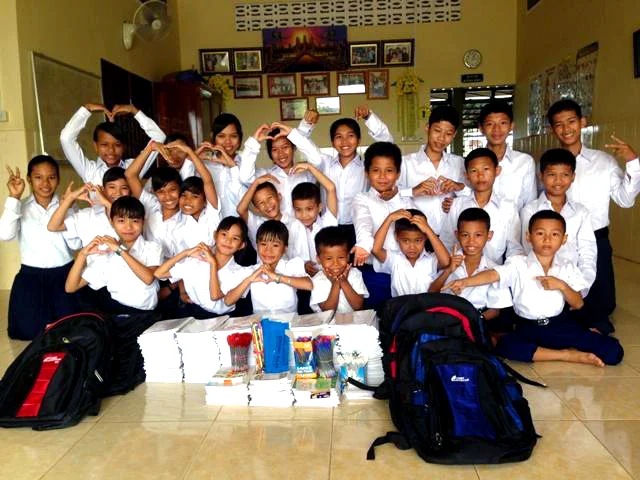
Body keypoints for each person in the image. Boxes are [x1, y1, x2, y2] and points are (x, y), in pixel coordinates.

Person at [443, 210, 624, 366]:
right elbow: (493, 274)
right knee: (506, 346)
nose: (547, 239)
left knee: (614, 352)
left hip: (560, 325)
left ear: (564, 239)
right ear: (528, 237)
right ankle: (567, 355)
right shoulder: (517, 263)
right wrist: (465, 282)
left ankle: (550, 350)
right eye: (540, 233)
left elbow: (578, 304)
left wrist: (561, 286)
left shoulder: (567, 267)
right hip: (528, 327)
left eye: (554, 234)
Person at [548, 99, 640, 333]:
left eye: (571, 121)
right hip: (559, 239)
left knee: (602, 300)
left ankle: (593, 325)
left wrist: (632, 162)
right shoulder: (549, 163)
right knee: (560, 292)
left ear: (583, 122)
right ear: (552, 129)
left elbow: (625, 199)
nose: (566, 129)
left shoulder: (603, 161)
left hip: (596, 237)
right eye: (559, 124)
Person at [0, 157, 78, 339]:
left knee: (70, 330)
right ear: (29, 179)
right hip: (31, 277)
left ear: (58, 179)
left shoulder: (67, 205)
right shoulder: (19, 206)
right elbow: (4, 235)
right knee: (25, 332)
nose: (45, 183)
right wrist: (14, 197)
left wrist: (66, 208)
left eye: (51, 177)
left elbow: (75, 244)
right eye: (38, 177)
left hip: (64, 275)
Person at [293, 105, 393, 247]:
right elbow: (303, 143)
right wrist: (307, 123)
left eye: (350, 136)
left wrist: (369, 118)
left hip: (358, 229)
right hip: (327, 226)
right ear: (332, 142)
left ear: (359, 140)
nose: (345, 142)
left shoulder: (368, 166)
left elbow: (388, 146)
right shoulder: (324, 163)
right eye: (339, 137)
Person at [64, 196, 162, 315]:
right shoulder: (107, 254)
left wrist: (119, 250)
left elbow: (148, 278)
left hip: (147, 315)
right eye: (121, 221)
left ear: (143, 222)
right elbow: (71, 287)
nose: (128, 227)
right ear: (112, 222)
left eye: (135, 221)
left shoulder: (152, 247)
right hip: (117, 314)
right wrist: (82, 254)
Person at [520, 148, 596, 296]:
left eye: (565, 175)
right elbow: (526, 249)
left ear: (573, 177)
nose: (558, 181)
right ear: (541, 176)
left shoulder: (581, 212)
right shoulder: (530, 210)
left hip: (572, 283)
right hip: (538, 283)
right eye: (551, 174)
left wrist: (582, 286)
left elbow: (588, 251)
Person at [154, 217, 253, 319]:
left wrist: (213, 263)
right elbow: (159, 274)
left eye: (235, 238)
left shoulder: (240, 272)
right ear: (215, 235)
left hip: (225, 318)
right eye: (224, 234)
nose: (228, 241)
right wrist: (186, 253)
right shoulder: (196, 261)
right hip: (194, 314)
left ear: (242, 245)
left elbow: (215, 296)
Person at [430, 208, 512, 328]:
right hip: (445, 320)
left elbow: (495, 310)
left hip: (476, 322)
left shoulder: (493, 270)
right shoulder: (446, 261)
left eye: (478, 235)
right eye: (465, 235)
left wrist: (473, 320)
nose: (471, 241)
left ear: (489, 236)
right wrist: (448, 270)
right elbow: (431, 294)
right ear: (457, 235)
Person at [440, 148, 523, 265]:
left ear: (497, 171)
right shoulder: (457, 205)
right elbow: (446, 243)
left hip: (494, 271)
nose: (480, 175)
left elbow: (514, 248)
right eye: (474, 171)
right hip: (460, 270)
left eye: (486, 169)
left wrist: (503, 272)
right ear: (466, 175)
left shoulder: (508, 207)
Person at [398, 105, 466, 235]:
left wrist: (459, 189)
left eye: (448, 134)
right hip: (417, 236)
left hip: (451, 236)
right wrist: (413, 191)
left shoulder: (459, 163)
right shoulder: (406, 163)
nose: (441, 138)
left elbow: (473, 196)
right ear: (427, 128)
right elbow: (390, 195)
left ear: (454, 135)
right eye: (437, 131)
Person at [60, 103, 165, 185]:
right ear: (95, 146)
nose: (111, 150)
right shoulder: (90, 171)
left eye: (117, 145)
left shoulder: (134, 166)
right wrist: (87, 109)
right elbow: (66, 138)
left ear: (124, 147)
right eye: (104, 145)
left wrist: (133, 110)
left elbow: (159, 137)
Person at [224, 220, 313, 314]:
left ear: (285, 249)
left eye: (275, 245)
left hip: (289, 321)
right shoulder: (252, 271)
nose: (268, 250)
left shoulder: (292, 265)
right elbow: (228, 301)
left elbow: (309, 285)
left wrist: (276, 276)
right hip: (260, 322)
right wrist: (249, 279)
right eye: (263, 244)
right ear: (257, 246)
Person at [238, 122, 316, 216]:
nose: (281, 153)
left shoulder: (307, 173)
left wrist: (294, 135)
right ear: (270, 154)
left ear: (293, 148)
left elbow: (318, 160)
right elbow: (245, 178)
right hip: (275, 225)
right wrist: (254, 142)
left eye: (285, 147)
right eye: (275, 150)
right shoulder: (265, 176)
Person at [125, 141, 184, 260]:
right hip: (145, 264)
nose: (168, 197)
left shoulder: (186, 216)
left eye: (172, 190)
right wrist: (151, 148)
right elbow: (130, 175)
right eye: (161, 192)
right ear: (155, 193)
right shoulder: (151, 205)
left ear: (180, 189)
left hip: (174, 269)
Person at [371, 209, 450, 297]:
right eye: (405, 241)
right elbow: (375, 250)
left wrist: (428, 230)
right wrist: (389, 219)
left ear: (426, 237)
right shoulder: (394, 259)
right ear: (396, 237)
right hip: (402, 305)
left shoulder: (431, 260)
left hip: (427, 305)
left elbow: (446, 262)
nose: (412, 247)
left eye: (418, 241)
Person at [47, 167, 129, 248]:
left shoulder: (134, 216)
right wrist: (70, 198)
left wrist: (107, 203)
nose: (118, 193)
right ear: (102, 189)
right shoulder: (87, 215)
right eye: (112, 187)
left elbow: (127, 240)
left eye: (124, 188)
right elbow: (53, 227)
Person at [476, 100, 536, 210]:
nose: (496, 129)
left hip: (515, 221)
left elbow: (530, 205)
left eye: (503, 123)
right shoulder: (473, 164)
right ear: (481, 128)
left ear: (511, 126)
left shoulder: (525, 162)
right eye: (490, 124)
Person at [287, 162, 339, 276]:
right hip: (299, 280)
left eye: (309, 209)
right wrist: (302, 266)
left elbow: (331, 188)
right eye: (298, 210)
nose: (304, 215)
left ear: (319, 207)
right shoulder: (290, 227)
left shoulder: (327, 223)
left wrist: (309, 167)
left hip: (327, 279)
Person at [309, 226, 369, 313]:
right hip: (328, 321)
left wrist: (344, 281)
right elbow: (328, 311)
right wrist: (335, 284)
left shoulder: (355, 274)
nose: (336, 264)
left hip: (354, 320)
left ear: (348, 257)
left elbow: (358, 306)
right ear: (318, 259)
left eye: (341, 257)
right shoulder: (317, 280)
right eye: (329, 259)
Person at [236, 174, 292, 248]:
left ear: (279, 196)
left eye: (269, 198)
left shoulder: (294, 224)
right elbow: (240, 209)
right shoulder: (256, 223)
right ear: (257, 209)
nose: (267, 204)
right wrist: (256, 183)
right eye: (261, 203)